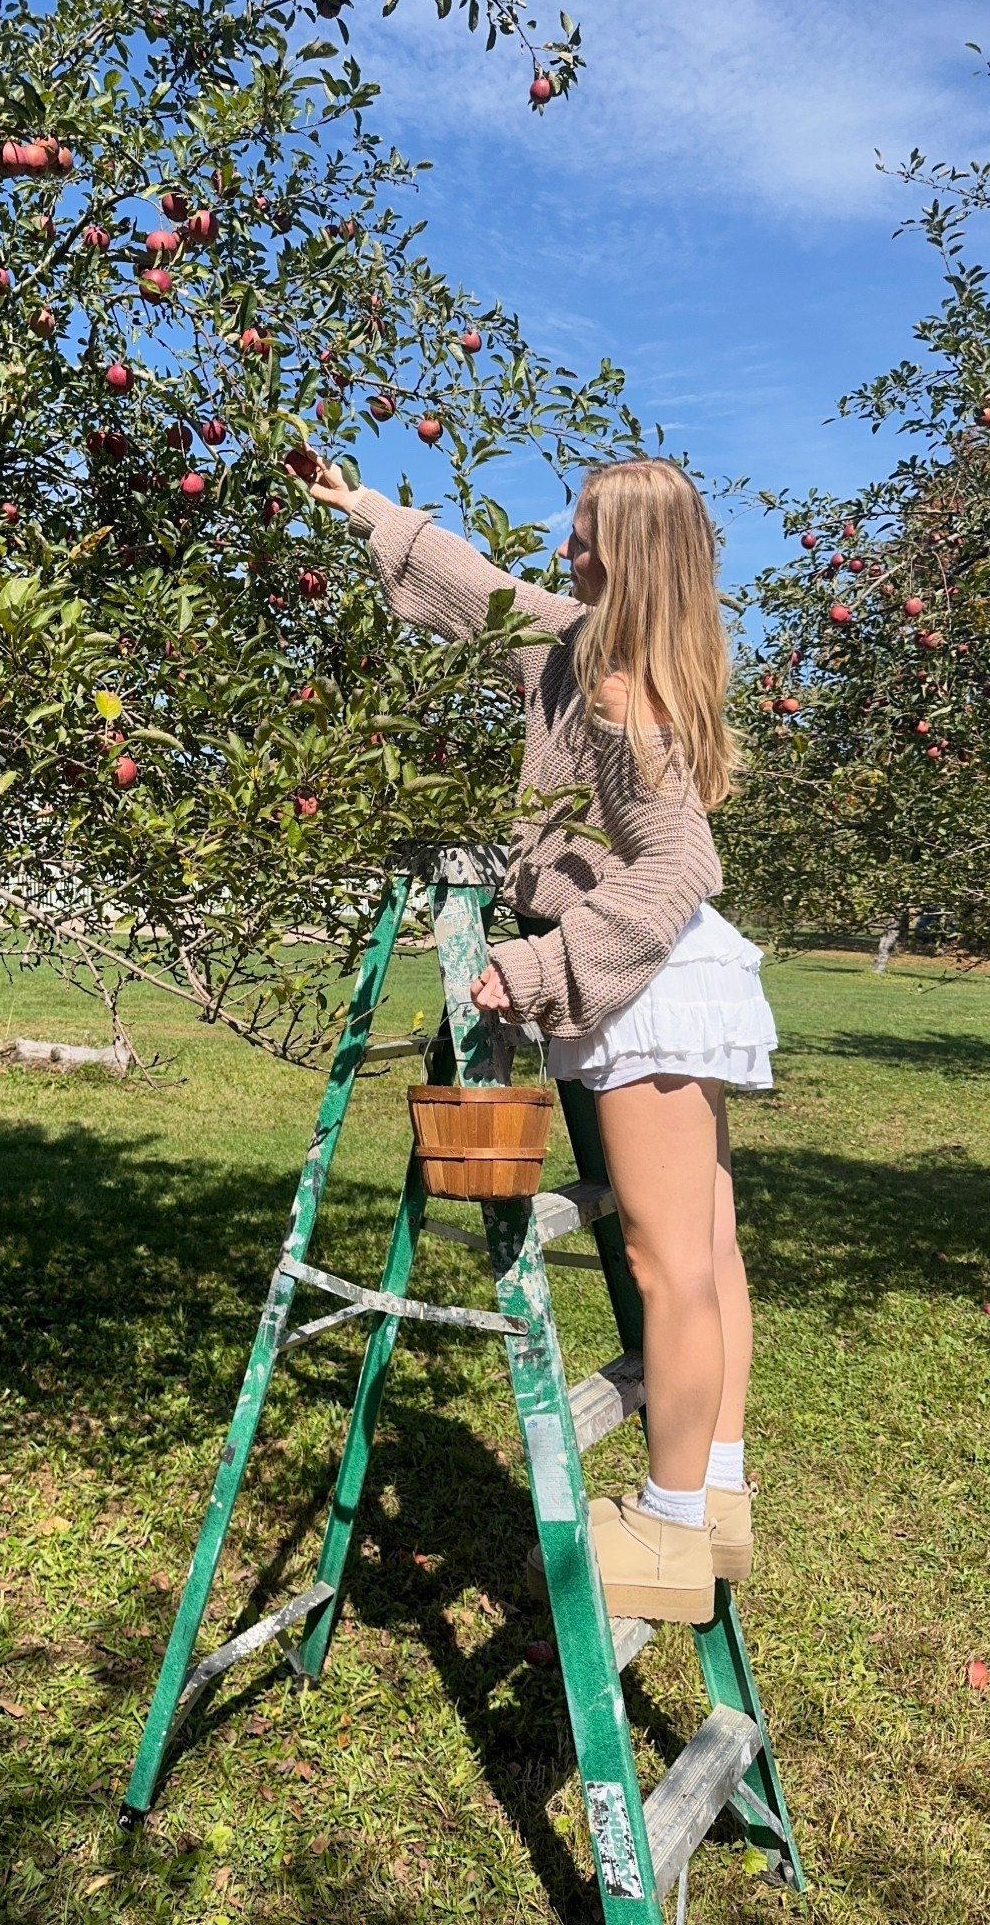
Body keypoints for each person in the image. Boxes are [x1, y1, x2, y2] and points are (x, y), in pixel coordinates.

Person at [295, 453, 776, 1626]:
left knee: (668, 1267)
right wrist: (365, 508)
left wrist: (540, 967)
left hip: (647, 983)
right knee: (708, 1251)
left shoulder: (621, 689)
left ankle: (670, 1525)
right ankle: (715, 1495)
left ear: (634, 553)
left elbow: (677, 864)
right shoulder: (593, 643)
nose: (567, 549)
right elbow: (476, 585)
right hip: (683, 974)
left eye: (587, 535)